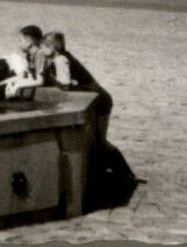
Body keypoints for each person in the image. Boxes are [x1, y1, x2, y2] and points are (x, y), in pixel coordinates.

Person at [40, 31, 136, 208]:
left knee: (100, 141)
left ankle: (127, 176)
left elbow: (65, 84)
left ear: (54, 48)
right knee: (97, 141)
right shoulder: (58, 58)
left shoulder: (60, 60)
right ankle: (118, 176)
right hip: (95, 100)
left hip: (100, 102)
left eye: (45, 46)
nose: (41, 49)